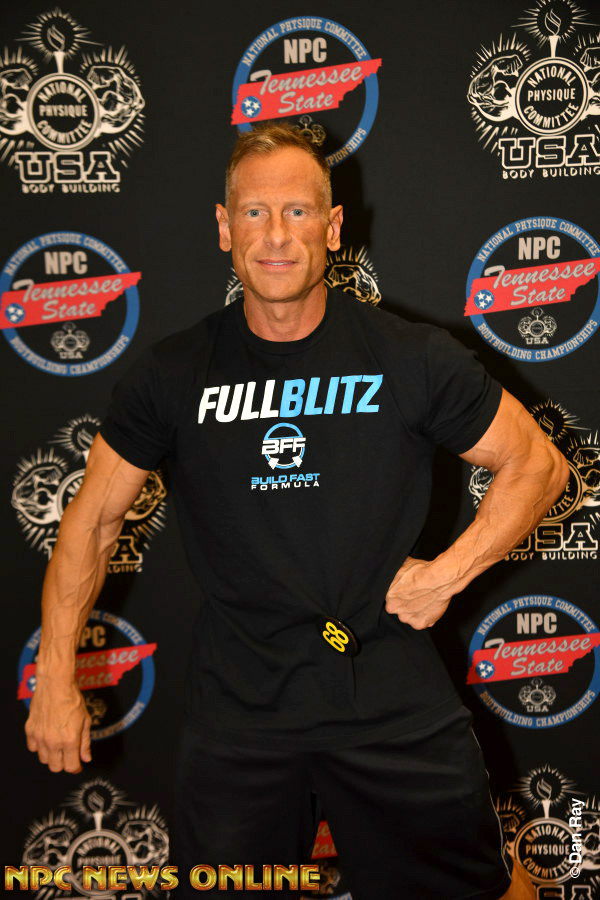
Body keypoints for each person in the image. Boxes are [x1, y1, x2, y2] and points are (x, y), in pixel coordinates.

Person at [25, 123, 567, 899]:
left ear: (333, 227)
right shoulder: (172, 373)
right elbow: (92, 521)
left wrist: (448, 574)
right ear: (224, 227)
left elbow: (538, 465)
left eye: (298, 211)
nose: (275, 234)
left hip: (388, 690)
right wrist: (54, 675)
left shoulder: (410, 356)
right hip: (240, 709)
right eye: (254, 213)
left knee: (481, 889)